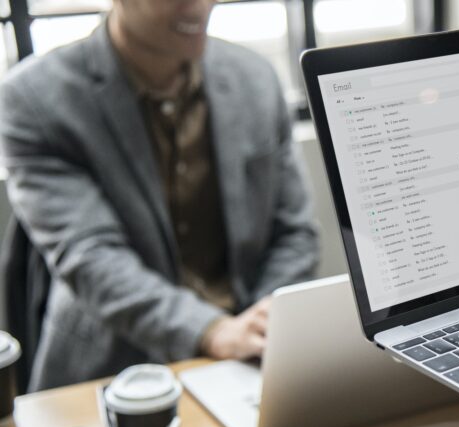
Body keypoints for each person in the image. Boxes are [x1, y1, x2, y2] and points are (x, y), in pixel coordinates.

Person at [0, 0, 319, 392]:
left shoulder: (255, 78)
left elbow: (295, 232)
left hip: (251, 359)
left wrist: (264, 323)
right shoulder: (34, 100)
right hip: (113, 373)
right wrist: (212, 331)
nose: (200, 6)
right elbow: (91, 255)